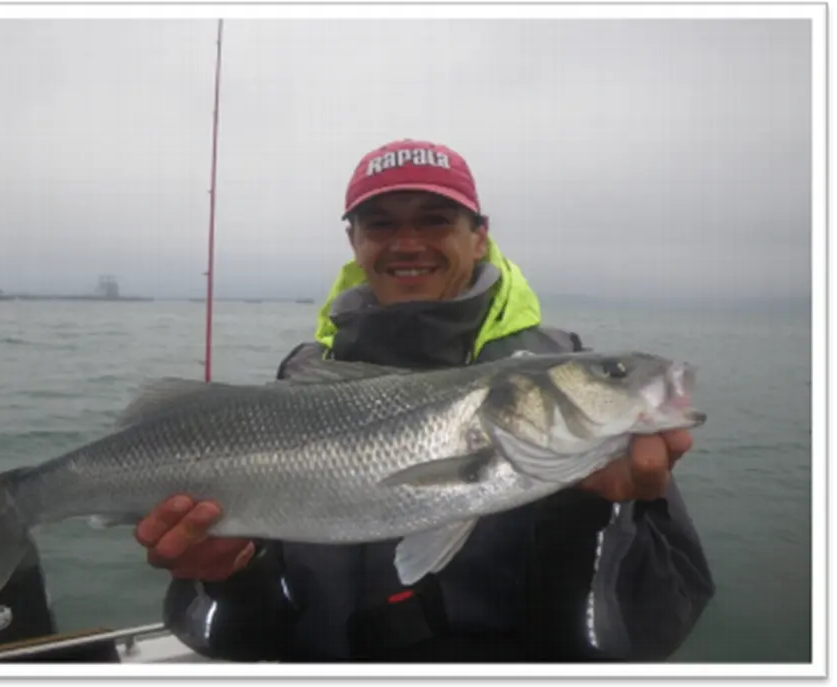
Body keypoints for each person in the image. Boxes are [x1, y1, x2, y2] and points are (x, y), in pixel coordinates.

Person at [135, 139, 716, 662]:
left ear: (479, 235)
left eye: (435, 220)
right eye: (380, 224)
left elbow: (642, 638)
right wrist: (222, 577)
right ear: (354, 242)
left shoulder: (578, 408)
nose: (407, 244)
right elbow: (231, 639)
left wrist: (592, 515)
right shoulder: (301, 386)